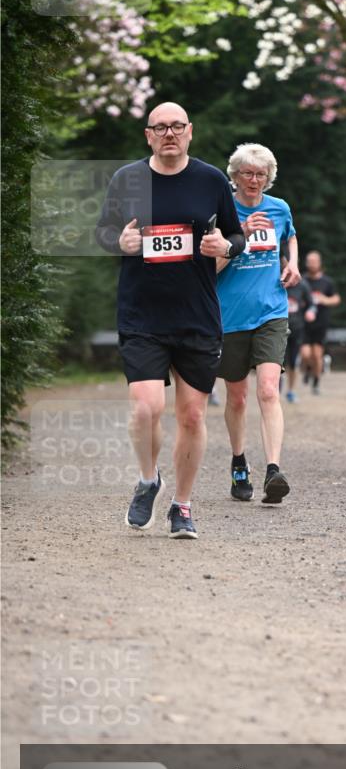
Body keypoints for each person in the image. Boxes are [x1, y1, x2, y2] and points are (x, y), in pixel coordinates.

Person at [96, 101, 245, 538]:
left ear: (189, 131)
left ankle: (182, 505)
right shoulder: (128, 179)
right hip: (142, 312)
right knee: (146, 408)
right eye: (160, 127)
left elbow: (235, 233)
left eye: (177, 126)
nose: (169, 134)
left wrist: (227, 247)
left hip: (197, 315)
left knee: (192, 417)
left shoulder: (211, 179)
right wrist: (118, 240)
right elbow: (104, 231)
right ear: (148, 135)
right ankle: (148, 480)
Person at [215, 143, 300, 504]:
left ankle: (273, 470)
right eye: (247, 173)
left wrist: (292, 262)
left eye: (261, 174)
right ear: (234, 176)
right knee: (237, 397)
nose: (254, 180)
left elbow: (290, 234)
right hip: (229, 314)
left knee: (268, 388)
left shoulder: (279, 208)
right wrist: (241, 235)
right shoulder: (220, 213)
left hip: (271, 311)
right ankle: (238, 462)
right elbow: (210, 267)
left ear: (269, 178)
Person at [299, 250, 340, 394]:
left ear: (319, 263)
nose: (311, 264)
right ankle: (309, 369)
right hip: (304, 323)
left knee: (317, 355)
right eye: (309, 261)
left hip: (320, 323)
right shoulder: (302, 280)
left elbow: (336, 299)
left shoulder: (327, 282)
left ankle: (315, 382)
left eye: (314, 261)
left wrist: (325, 300)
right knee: (305, 354)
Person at [285, 279, 317, 402]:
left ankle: (291, 391)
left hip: (297, 328)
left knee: (293, 362)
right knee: (277, 363)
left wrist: (311, 312)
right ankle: (274, 391)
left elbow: (312, 304)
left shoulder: (302, 285)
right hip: (276, 329)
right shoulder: (274, 280)